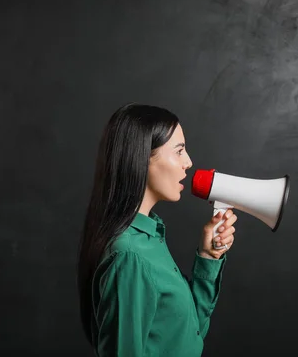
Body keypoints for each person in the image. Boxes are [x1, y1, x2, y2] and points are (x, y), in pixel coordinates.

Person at [77, 103, 237, 356]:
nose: (189, 162)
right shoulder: (130, 256)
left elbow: (188, 333)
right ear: (142, 157)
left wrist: (208, 257)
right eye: (179, 151)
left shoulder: (150, 238)